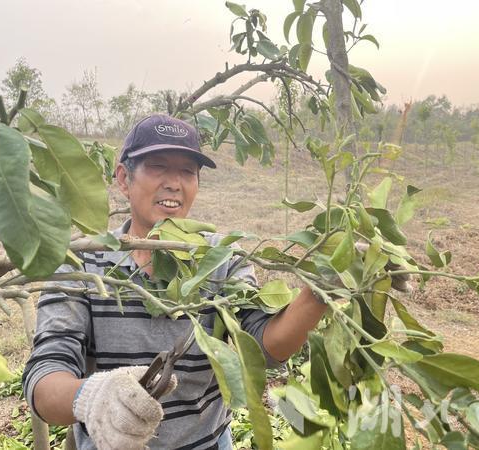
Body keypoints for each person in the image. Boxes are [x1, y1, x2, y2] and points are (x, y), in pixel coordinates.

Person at [22, 114, 330, 450]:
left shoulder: (222, 258)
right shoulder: (82, 263)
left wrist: (320, 292)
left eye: (187, 171)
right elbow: (46, 375)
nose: (174, 183)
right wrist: (91, 396)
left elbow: (266, 350)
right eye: (158, 166)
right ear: (124, 178)